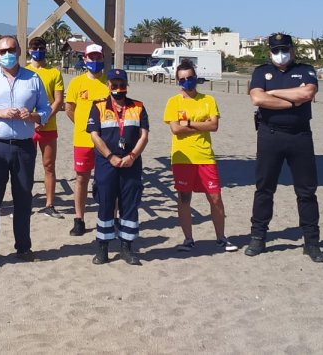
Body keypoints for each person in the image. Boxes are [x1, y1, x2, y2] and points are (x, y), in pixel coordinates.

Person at [0, 36, 50, 262]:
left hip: (24, 146)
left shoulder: (33, 78)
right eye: (2, 51)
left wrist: (33, 116)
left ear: (20, 51)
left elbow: (46, 109)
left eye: (11, 50)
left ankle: (23, 247)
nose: (7, 54)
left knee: (23, 198)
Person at [246, 33, 323, 263]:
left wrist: (271, 92)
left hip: (300, 136)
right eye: (276, 50)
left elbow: (307, 93)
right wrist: (293, 100)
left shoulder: (305, 69)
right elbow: (257, 100)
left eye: (285, 49)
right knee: (264, 189)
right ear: (269, 51)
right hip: (269, 135)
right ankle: (258, 238)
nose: (281, 54)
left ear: (292, 50)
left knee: (306, 191)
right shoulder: (261, 71)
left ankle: (311, 242)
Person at [164, 61, 237, 253]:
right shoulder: (173, 102)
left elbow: (214, 126)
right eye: (183, 79)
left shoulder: (208, 100)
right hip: (182, 159)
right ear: (177, 81)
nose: (187, 82)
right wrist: (199, 123)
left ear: (196, 77)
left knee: (215, 198)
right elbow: (175, 129)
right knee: (184, 199)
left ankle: (221, 238)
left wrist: (188, 122)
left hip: (205, 156)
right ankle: (189, 239)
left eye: (190, 78)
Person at [86, 69, 150, 265]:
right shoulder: (98, 107)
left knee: (129, 205)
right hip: (107, 163)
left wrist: (132, 156)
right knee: (105, 203)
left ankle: (126, 247)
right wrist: (110, 156)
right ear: (108, 86)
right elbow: (94, 135)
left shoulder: (138, 107)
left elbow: (144, 136)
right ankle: (103, 248)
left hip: (131, 163)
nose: (118, 88)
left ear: (127, 85)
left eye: (121, 84)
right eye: (114, 85)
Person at [64, 44, 110, 236]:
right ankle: (79, 219)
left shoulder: (109, 82)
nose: (95, 61)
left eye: (98, 58)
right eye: (91, 58)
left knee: (107, 180)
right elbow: (69, 109)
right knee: (81, 178)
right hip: (82, 140)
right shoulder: (77, 83)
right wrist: (85, 126)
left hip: (106, 140)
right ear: (85, 59)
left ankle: (108, 218)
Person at [26, 36, 65, 217]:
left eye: (41, 47)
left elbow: (58, 101)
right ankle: (24, 203)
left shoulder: (54, 73)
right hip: (26, 128)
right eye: (35, 47)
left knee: (48, 165)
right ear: (29, 50)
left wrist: (43, 119)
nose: (38, 50)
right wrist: (32, 121)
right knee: (25, 166)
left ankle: (49, 204)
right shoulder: (24, 71)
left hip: (48, 127)